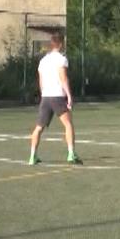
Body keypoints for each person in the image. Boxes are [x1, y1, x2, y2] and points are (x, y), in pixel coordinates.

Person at [29, 33, 82, 165]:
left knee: (38, 128)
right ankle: (71, 154)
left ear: (51, 44)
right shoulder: (61, 59)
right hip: (57, 96)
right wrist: (69, 96)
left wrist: (44, 94)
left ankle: (32, 156)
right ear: (61, 44)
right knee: (68, 124)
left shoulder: (43, 61)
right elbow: (63, 78)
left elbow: (41, 82)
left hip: (45, 97)